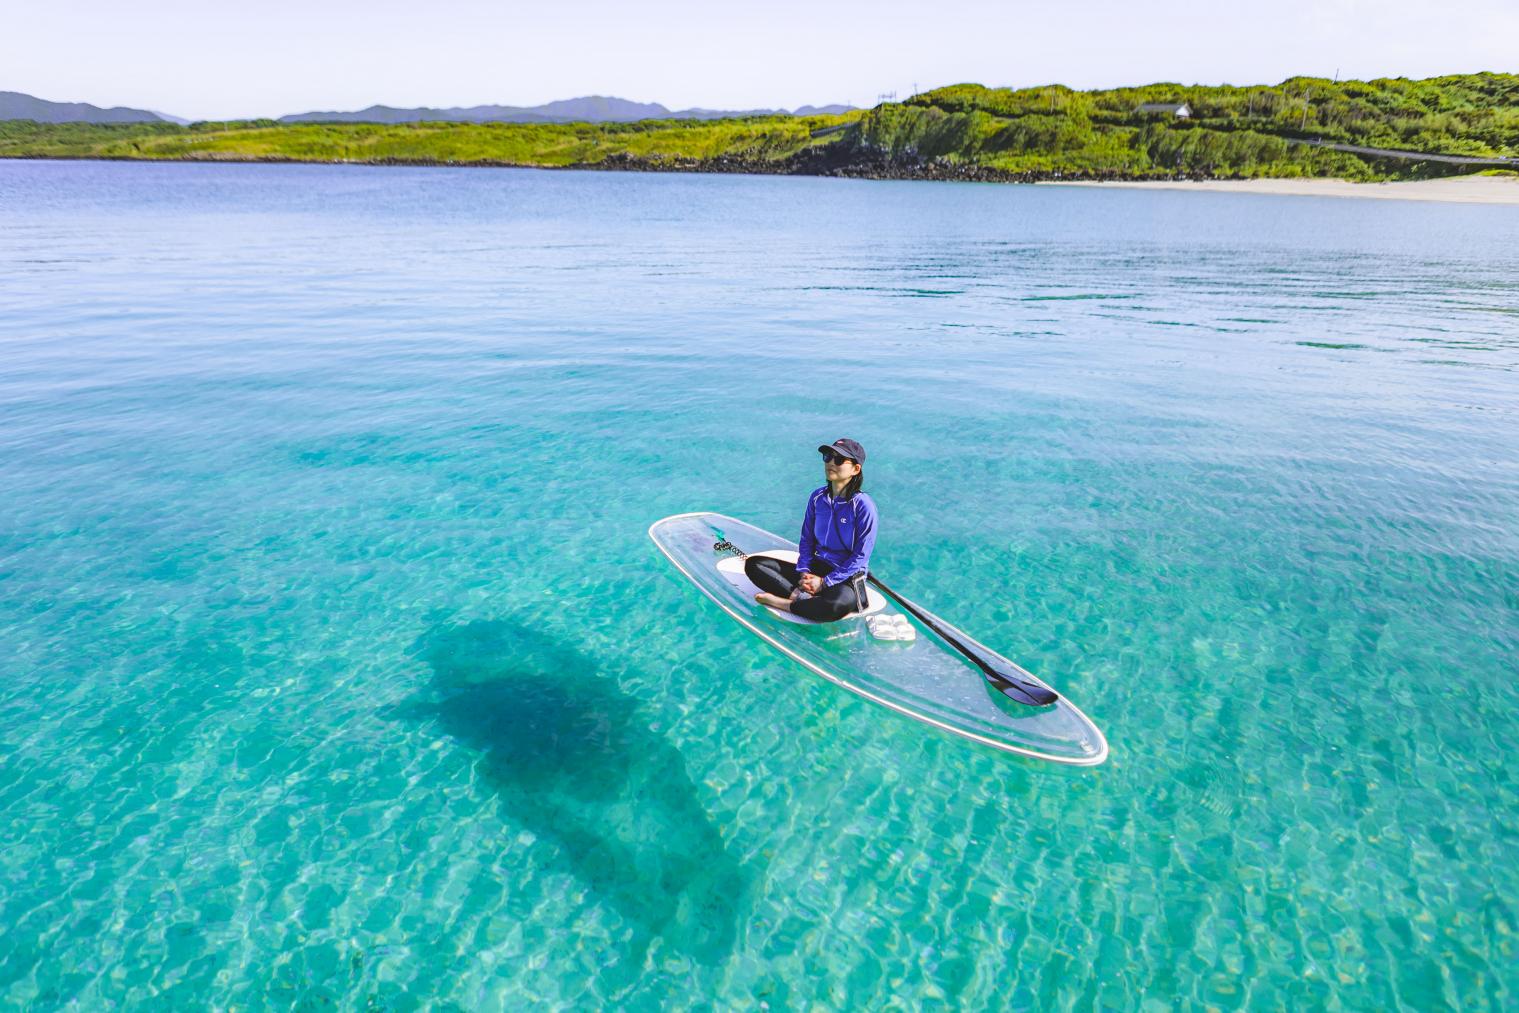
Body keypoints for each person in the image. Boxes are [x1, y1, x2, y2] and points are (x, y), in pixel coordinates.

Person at [746, 438, 878, 622]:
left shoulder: (863, 506)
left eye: (839, 460)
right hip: (817, 566)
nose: (831, 462)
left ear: (856, 469)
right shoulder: (817, 497)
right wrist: (804, 572)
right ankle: (800, 597)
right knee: (755, 565)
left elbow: (860, 556)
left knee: (836, 606)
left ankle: (784, 604)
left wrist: (825, 583)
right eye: (828, 457)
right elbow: (807, 538)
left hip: (844, 576)